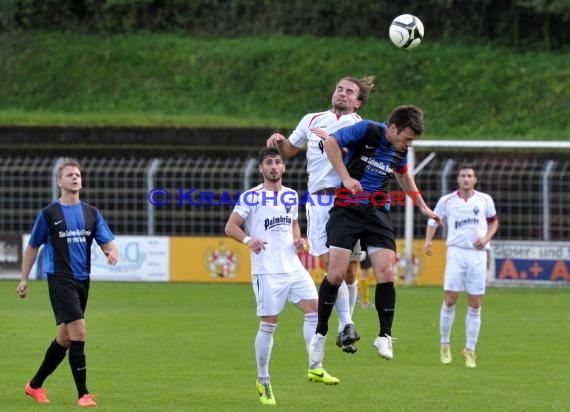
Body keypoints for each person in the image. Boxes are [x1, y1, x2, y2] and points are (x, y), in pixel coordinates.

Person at [308, 104, 442, 367]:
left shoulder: (399, 150)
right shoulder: (368, 129)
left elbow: (404, 176)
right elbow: (333, 143)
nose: (410, 145)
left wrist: (422, 206)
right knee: (336, 273)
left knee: (387, 270)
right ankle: (320, 334)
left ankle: (384, 336)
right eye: (408, 138)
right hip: (347, 207)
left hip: (378, 210)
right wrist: (345, 177)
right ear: (393, 128)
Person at [267, 75, 375, 353]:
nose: (342, 93)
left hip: (348, 202)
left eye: (349, 91)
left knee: (350, 273)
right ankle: (346, 325)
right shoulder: (311, 119)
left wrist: (334, 143)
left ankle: (345, 324)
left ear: (358, 101)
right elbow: (290, 150)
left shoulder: (362, 128)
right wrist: (279, 141)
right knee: (331, 267)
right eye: (339, 88)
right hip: (318, 202)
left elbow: (364, 160)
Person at [224, 147, 339, 406]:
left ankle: (315, 366)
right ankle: (263, 380)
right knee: (269, 323)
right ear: (261, 169)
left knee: (315, 311)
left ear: (284, 168)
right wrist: (248, 239)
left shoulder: (290, 195)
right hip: (267, 269)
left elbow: (293, 222)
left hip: (293, 266)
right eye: (269, 163)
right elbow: (230, 226)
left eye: (277, 162)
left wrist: (298, 239)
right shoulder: (251, 197)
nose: (274, 166)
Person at [16, 158, 118, 407]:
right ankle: (83, 394)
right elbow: (32, 247)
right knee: (80, 331)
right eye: (70, 175)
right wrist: (24, 279)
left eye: (78, 175)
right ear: (59, 181)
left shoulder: (91, 213)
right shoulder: (49, 214)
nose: (75, 178)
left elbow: (106, 240)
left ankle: (34, 385)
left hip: (83, 280)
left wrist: (111, 251)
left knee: (64, 339)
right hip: (60, 279)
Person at [424, 164, 498, 368]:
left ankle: (470, 349)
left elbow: (494, 222)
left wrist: (486, 238)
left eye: (470, 176)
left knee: (475, 302)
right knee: (450, 299)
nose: (466, 179)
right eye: (463, 175)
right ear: (458, 179)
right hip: (456, 252)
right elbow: (433, 221)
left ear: (475, 179)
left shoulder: (485, 200)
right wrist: (428, 241)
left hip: (478, 254)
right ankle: (444, 344)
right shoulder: (447, 201)